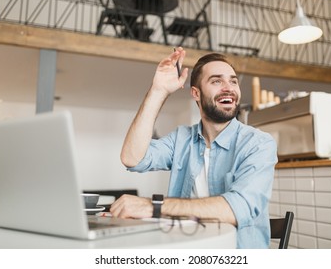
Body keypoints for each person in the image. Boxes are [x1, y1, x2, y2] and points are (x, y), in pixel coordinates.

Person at [110, 47, 278, 248]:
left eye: (233, 81)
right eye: (217, 81)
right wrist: (158, 90)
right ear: (196, 93)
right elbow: (132, 158)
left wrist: (153, 207)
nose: (228, 87)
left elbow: (237, 208)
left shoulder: (258, 144)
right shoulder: (181, 139)